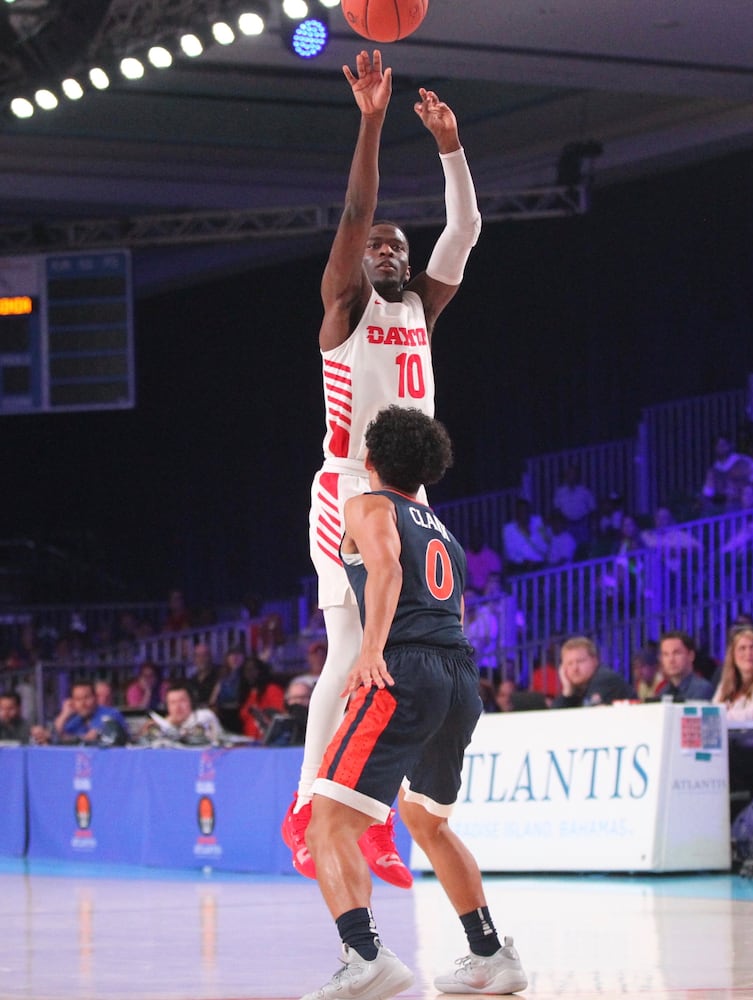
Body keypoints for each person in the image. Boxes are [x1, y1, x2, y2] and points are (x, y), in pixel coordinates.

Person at [285, 47, 482, 888]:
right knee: (345, 651)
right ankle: (304, 808)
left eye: (400, 247)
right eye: (379, 247)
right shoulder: (343, 308)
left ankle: (370, 817)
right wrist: (370, 122)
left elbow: (465, 230)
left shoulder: (421, 311)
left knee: (406, 655)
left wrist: (450, 146)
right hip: (348, 488)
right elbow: (358, 208)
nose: (390, 252)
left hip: (411, 491)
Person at [302, 405, 526, 1000]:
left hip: (404, 667)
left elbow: (386, 570)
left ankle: (365, 955)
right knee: (428, 822)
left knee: (326, 824)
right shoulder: (442, 531)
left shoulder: (366, 505)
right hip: (458, 671)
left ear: (370, 461)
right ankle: (490, 954)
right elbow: (447, 608)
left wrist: (370, 649)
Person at [713, 625, 753, 804]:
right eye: (742, 648)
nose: (748, 653)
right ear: (733, 655)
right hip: (738, 749)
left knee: (726, 762)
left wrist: (725, 714)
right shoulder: (725, 686)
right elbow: (713, 712)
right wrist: (722, 714)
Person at [33, 680, 129, 746]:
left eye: (87, 698)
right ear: (72, 701)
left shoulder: (110, 714)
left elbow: (91, 738)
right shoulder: (76, 718)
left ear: (95, 698)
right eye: (78, 699)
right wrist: (64, 714)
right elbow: (56, 734)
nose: (83, 703)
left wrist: (57, 738)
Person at [551, 636, 635, 708]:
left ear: (595, 661)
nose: (575, 668)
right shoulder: (575, 689)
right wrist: (567, 691)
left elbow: (588, 717)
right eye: (569, 663)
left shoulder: (605, 679)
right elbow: (553, 720)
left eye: (580, 661)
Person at [140, 683, 223, 744]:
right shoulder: (162, 724)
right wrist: (148, 732)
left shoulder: (204, 716)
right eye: (173, 703)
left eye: (182, 701)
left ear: (191, 702)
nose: (177, 707)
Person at [701, 433, 753, 512]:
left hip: (748, 504)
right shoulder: (713, 471)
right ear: (715, 449)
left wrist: (743, 492)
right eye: (718, 445)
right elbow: (707, 494)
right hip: (726, 507)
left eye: (724, 444)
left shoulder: (744, 461)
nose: (721, 447)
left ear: (731, 445)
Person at [657, 631, 714, 702]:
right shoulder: (663, 692)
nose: (671, 660)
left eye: (677, 653)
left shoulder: (702, 689)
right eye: (666, 654)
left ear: (691, 655)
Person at [552, 463, 596, 549]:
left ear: (577, 476)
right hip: (567, 524)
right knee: (569, 548)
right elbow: (557, 510)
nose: (571, 476)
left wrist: (592, 525)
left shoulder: (585, 491)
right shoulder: (560, 492)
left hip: (583, 524)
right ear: (566, 476)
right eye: (569, 474)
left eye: (574, 474)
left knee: (584, 547)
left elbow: (593, 509)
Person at [501, 497, 548, 574]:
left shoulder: (538, 522)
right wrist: (524, 561)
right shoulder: (508, 529)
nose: (524, 514)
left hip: (539, 564)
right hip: (520, 566)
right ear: (516, 513)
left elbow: (546, 544)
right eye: (521, 511)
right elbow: (510, 552)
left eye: (526, 511)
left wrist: (530, 533)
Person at [464, 524, 502, 594]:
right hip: (473, 593)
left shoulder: (491, 556)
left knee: (493, 586)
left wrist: (483, 590)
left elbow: (494, 577)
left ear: (482, 538)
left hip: (489, 593)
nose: (475, 540)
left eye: (478, 537)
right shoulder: (465, 557)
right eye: (473, 537)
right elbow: (466, 580)